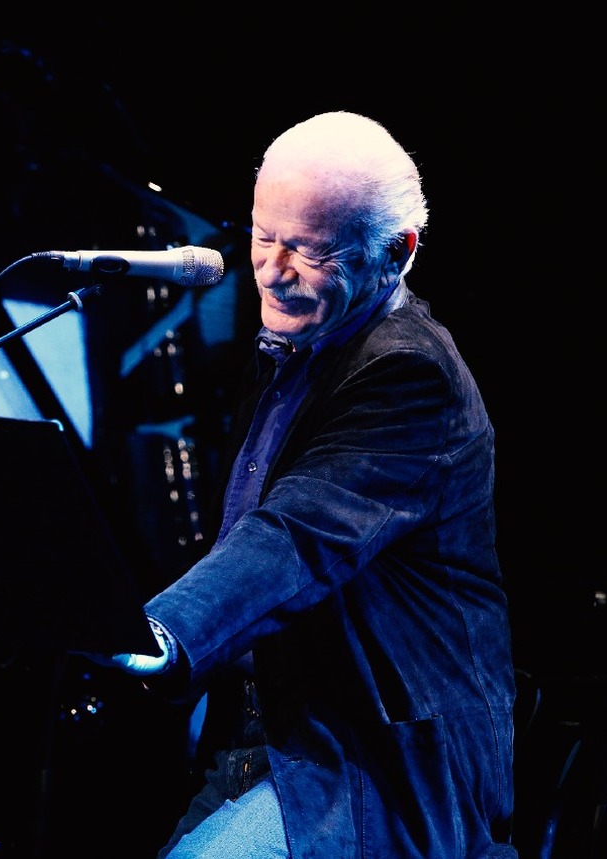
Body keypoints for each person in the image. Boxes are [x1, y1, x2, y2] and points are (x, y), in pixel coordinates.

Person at [98, 111, 515, 858]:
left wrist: (154, 633)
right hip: (270, 742)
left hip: (367, 762)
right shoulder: (294, 348)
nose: (272, 268)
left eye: (310, 249)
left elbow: (294, 537)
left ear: (398, 252)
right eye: (264, 236)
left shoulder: (410, 375)